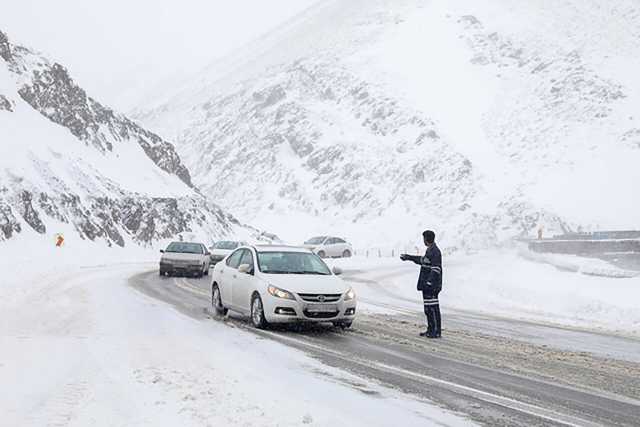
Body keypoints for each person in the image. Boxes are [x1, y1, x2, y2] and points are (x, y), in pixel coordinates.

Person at [400, 230, 442, 338]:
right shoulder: (430, 251)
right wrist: (409, 257)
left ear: (427, 239)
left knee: (433, 308)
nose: (423, 240)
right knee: (428, 309)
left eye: (424, 238)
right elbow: (422, 260)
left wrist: (429, 282)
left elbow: (436, 269)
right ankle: (430, 329)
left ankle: (436, 331)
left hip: (432, 286)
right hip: (427, 286)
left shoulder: (435, 252)